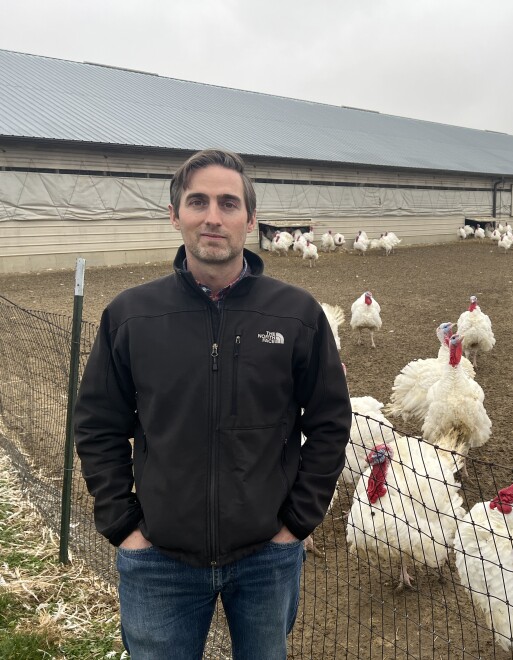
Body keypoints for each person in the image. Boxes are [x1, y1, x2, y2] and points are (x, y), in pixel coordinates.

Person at [74, 149, 352, 659]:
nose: (212, 216)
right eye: (197, 201)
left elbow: (331, 421)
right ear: (174, 214)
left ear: (250, 219)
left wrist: (297, 524)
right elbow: (97, 424)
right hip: (158, 558)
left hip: (267, 556)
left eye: (228, 203)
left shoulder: (297, 314)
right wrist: (123, 525)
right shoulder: (131, 316)